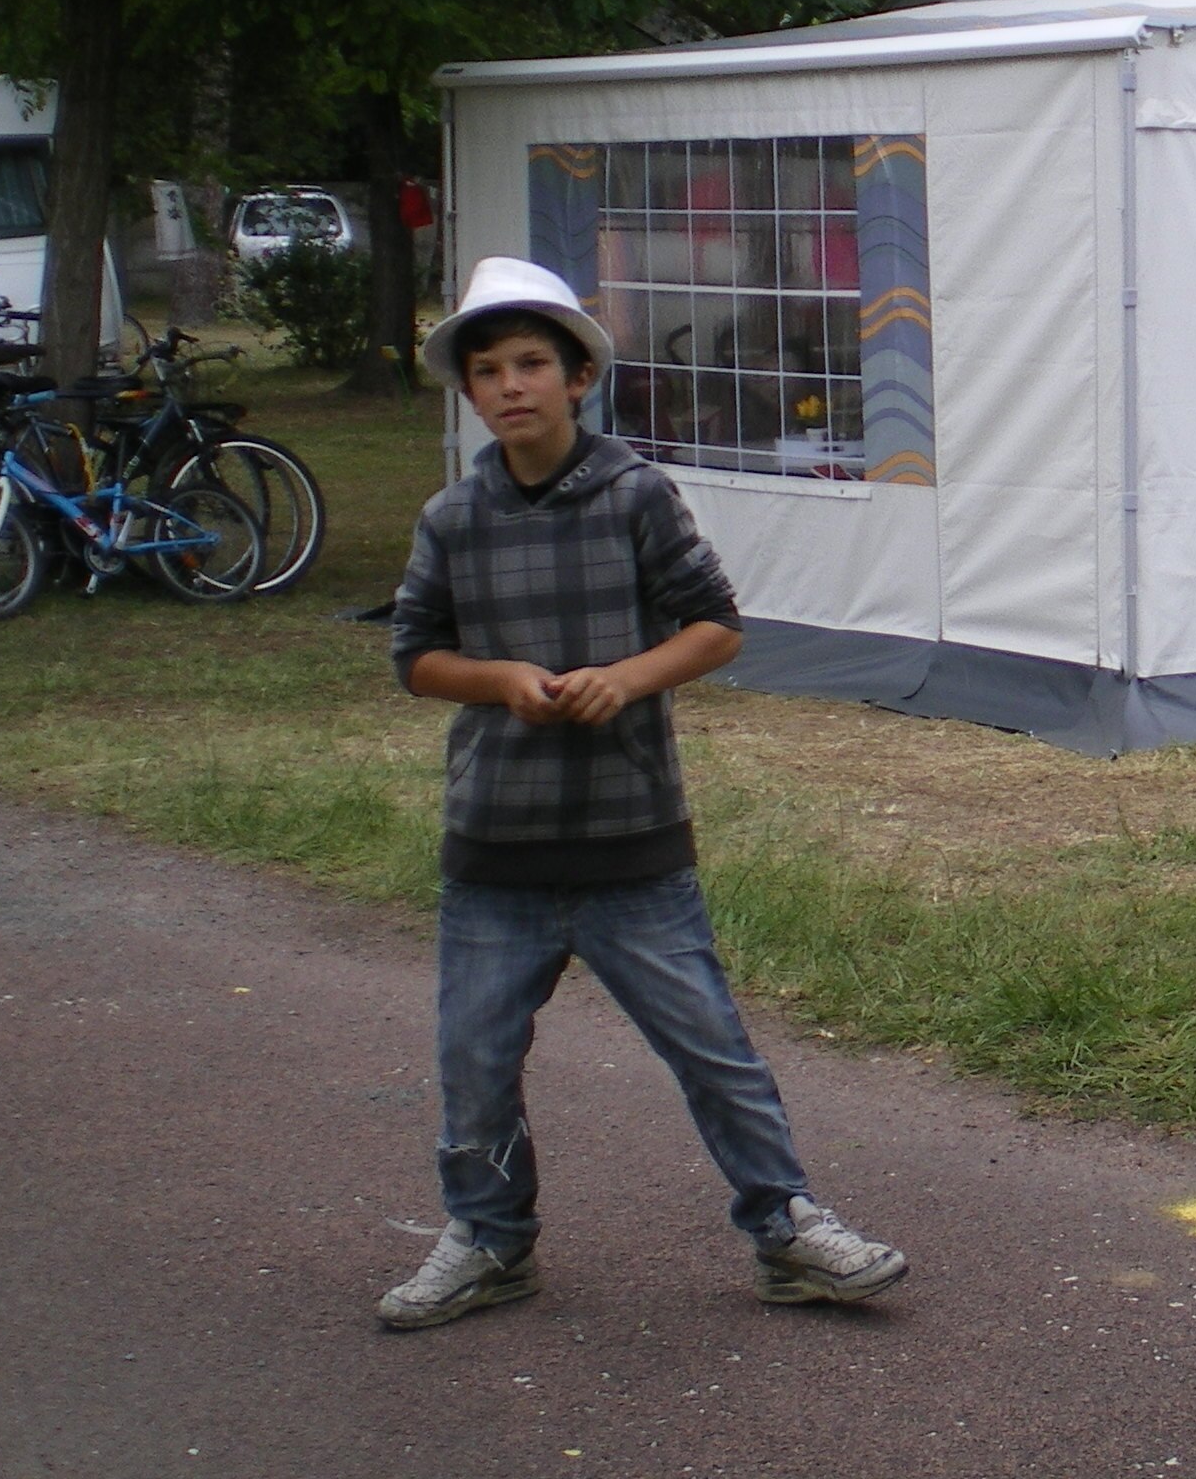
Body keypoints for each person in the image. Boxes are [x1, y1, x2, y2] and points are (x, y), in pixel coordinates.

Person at [379, 255, 906, 1330]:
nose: (511, 385)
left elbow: (715, 625)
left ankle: (786, 1227)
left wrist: (624, 679)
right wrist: (501, 683)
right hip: (496, 849)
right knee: (474, 1062)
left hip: (631, 844)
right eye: (488, 370)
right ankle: (488, 1238)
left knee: (711, 1048)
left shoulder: (635, 495)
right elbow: (417, 656)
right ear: (469, 393)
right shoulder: (452, 519)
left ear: (579, 377)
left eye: (533, 363)